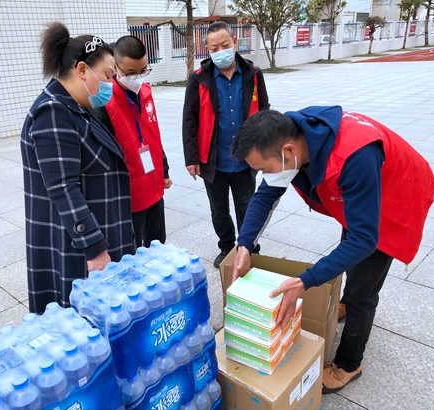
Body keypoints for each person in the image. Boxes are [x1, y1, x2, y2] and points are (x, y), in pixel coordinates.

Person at [230, 107, 434, 393]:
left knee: (364, 285)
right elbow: (265, 196)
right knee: (351, 247)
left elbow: (364, 239)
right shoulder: (290, 137)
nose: (264, 175)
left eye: (265, 169)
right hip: (363, 187)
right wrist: (244, 244)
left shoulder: (354, 157)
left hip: (396, 193)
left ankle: (350, 364)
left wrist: (305, 281)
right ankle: (347, 302)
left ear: (289, 150)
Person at [21, 22, 133, 314]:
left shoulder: (77, 107)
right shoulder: (53, 112)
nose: (111, 84)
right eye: (107, 75)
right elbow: (63, 188)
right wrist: (94, 248)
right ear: (82, 70)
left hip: (97, 231)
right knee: (82, 319)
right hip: (78, 246)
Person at [182, 21, 270, 268]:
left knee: (248, 208)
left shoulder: (253, 74)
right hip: (214, 160)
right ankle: (226, 247)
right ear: (207, 50)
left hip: (246, 159)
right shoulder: (199, 79)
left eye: (225, 45)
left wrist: (266, 152)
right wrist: (191, 158)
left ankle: (249, 247)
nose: (220, 51)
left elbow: (264, 112)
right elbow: (189, 119)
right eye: (214, 48)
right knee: (219, 210)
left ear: (234, 42)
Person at [95, 35, 172, 248]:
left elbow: (153, 135)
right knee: (133, 248)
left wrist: (164, 170)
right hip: (130, 189)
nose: (138, 78)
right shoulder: (105, 102)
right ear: (115, 68)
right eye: (130, 73)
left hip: (153, 181)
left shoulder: (145, 92)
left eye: (143, 71)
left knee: (158, 241)